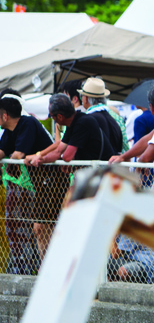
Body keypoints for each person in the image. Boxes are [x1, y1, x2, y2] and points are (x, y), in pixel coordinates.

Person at [26, 94, 106, 256]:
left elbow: (67, 156)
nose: (53, 120)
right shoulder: (74, 123)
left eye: (52, 117)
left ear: (59, 117)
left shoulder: (83, 122)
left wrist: (40, 159)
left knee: (86, 225)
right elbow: (58, 150)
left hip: (99, 177)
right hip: (89, 178)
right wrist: (40, 158)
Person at [0, 94, 54, 274]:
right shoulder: (9, 130)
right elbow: (2, 152)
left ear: (5, 115)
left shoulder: (28, 123)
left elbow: (18, 155)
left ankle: (48, 270)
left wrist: (8, 163)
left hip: (52, 182)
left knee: (42, 228)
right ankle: (41, 269)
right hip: (38, 184)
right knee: (35, 229)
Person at [79, 78, 126, 155]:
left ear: (86, 98)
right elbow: (124, 146)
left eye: (82, 96)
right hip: (114, 164)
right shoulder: (115, 116)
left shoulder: (86, 119)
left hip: (93, 166)